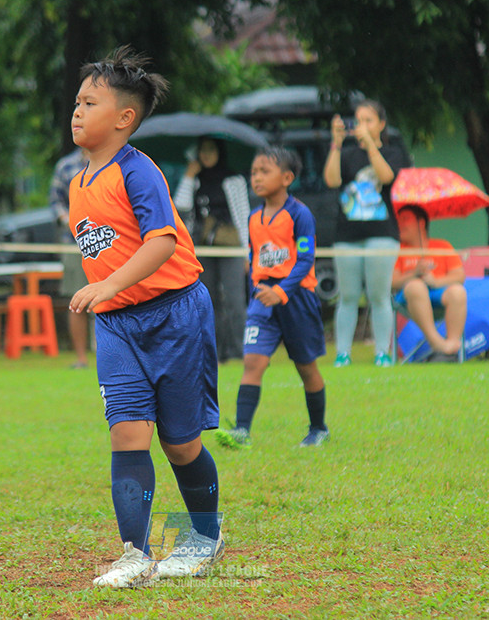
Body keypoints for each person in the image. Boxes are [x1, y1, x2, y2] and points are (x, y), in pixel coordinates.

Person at [66, 46, 223, 588]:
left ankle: (204, 535)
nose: (77, 111)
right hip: (116, 324)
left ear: (125, 118)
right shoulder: (77, 183)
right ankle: (135, 553)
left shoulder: (139, 171)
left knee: (180, 442)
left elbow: (162, 242)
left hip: (174, 314)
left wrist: (106, 283)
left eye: (90, 102)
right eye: (77, 102)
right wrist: (107, 292)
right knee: (128, 434)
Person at [215, 146, 328, 450]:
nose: (257, 177)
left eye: (265, 171)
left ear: (287, 177)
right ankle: (241, 431)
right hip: (262, 299)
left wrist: (280, 291)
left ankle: (318, 428)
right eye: (254, 172)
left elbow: (304, 261)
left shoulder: (299, 214)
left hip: (295, 298)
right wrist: (258, 287)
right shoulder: (252, 218)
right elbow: (254, 258)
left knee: (306, 367)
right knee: (253, 361)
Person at [324, 99, 411, 368]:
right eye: (357, 120)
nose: (361, 125)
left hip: (382, 233)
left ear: (381, 124)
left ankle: (382, 354)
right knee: (348, 296)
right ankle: (343, 354)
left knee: (379, 295)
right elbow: (332, 180)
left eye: (368, 120)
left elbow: (386, 177)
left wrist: (371, 145)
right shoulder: (347, 153)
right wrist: (336, 143)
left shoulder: (394, 151)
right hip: (347, 235)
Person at [173, 136, 250, 362]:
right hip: (204, 249)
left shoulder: (234, 179)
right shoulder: (195, 180)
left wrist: (248, 252)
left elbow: (243, 215)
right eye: (202, 150)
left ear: (220, 152)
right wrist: (189, 174)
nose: (206, 155)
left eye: (211, 150)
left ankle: (239, 352)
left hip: (231, 247)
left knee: (235, 301)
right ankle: (214, 353)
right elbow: (181, 207)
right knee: (208, 301)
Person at [391, 205, 467, 359]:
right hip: (407, 298)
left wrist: (435, 281)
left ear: (421, 223)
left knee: (458, 292)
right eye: (398, 220)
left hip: (438, 294)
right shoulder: (398, 249)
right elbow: (393, 282)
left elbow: (459, 276)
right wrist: (414, 273)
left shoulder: (442, 246)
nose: (400, 224)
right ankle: (436, 343)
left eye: (405, 219)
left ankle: (452, 347)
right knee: (416, 286)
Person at [48, 147, 91, 368]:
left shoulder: (114, 160)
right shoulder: (66, 166)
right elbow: (55, 203)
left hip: (108, 242)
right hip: (74, 244)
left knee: (112, 300)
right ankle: (81, 358)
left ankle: (112, 357)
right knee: (77, 301)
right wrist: (69, 220)